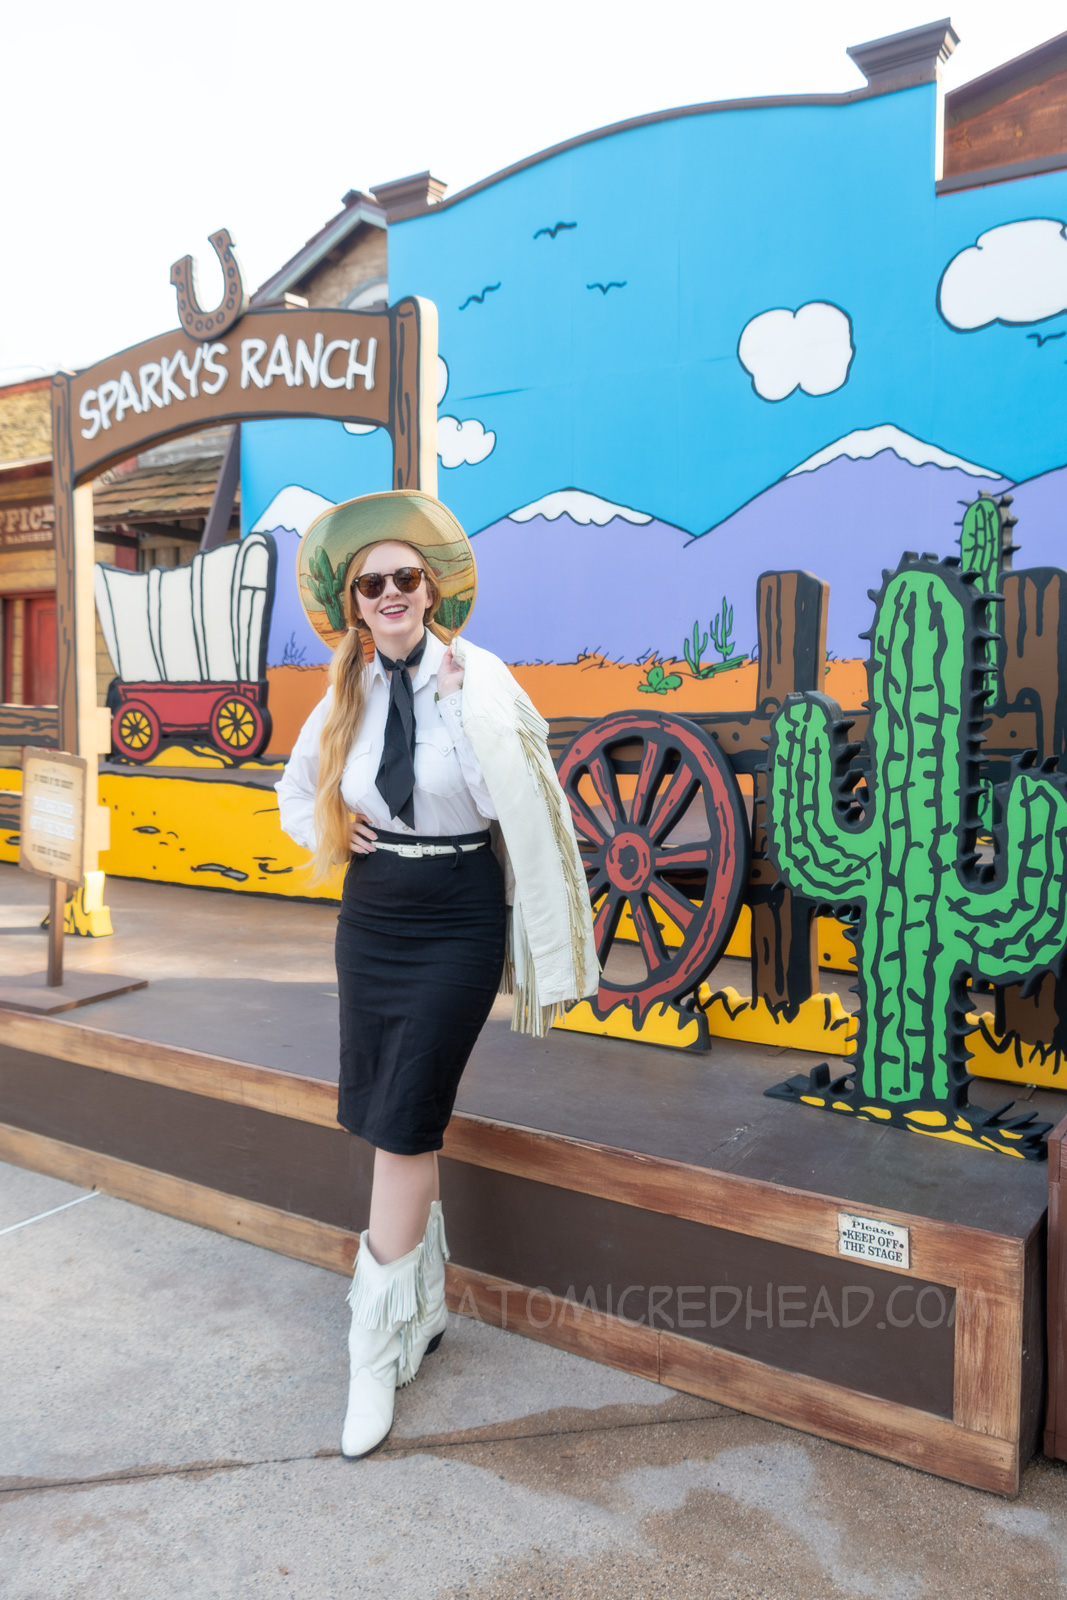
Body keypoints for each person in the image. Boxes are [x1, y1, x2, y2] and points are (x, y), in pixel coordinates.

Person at [276, 490, 596, 1459]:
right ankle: (419, 1308)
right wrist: (333, 825)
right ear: (353, 599)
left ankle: (373, 1339)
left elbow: (522, 803)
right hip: (372, 913)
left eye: (402, 577)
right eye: (369, 582)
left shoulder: (482, 677)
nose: (388, 594)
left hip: (457, 912)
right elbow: (295, 795)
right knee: (381, 1106)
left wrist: (463, 704)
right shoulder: (344, 694)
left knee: (406, 1112)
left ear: (430, 586)